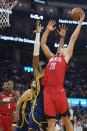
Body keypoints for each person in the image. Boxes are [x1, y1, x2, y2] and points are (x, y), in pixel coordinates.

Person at [41, 11, 85, 131]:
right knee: (51, 123)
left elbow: (73, 38)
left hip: (58, 90)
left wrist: (80, 23)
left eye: (65, 47)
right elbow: (43, 45)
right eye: (63, 47)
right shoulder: (52, 57)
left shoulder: (65, 58)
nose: (64, 47)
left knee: (66, 120)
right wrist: (47, 30)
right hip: (47, 93)